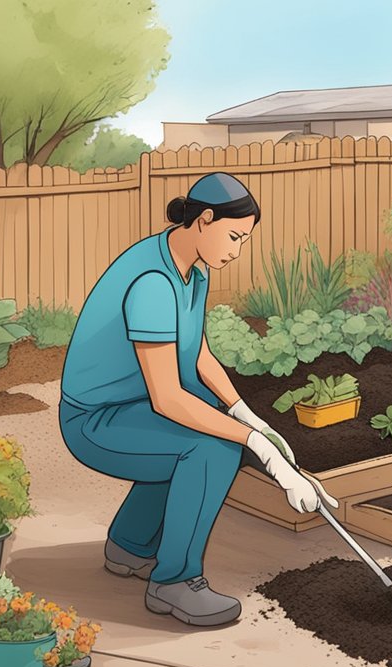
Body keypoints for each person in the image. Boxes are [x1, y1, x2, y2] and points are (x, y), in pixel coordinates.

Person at [59, 172, 335, 627]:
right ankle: (174, 583)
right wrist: (255, 444)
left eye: (244, 240)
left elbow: (199, 353)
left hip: (134, 408)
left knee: (199, 437)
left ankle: (129, 547)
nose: (237, 250)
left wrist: (248, 415)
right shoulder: (152, 281)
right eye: (233, 236)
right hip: (95, 420)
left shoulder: (192, 270)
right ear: (204, 220)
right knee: (211, 448)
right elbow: (168, 399)